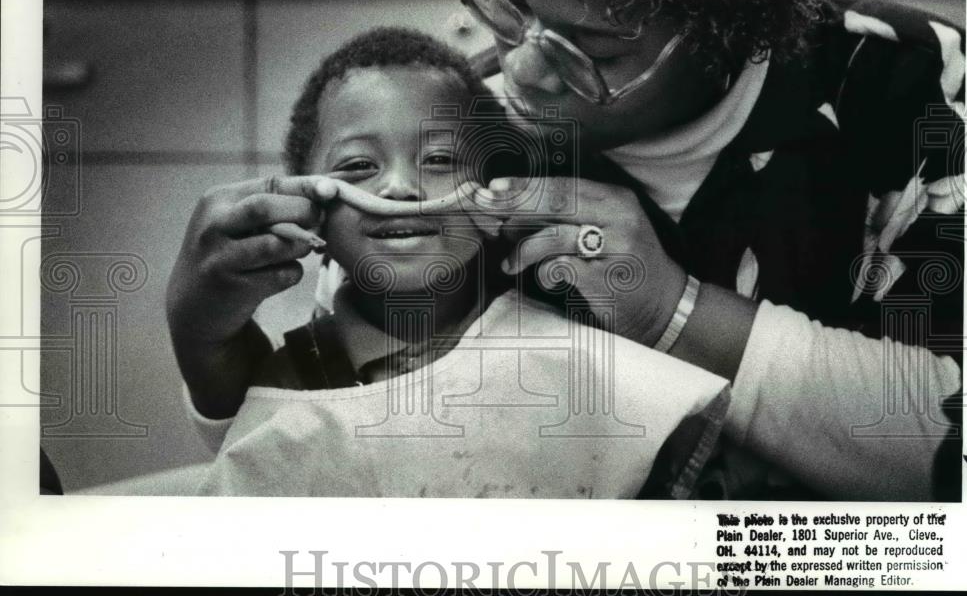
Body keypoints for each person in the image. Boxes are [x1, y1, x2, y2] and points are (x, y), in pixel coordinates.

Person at [167, 0, 964, 501]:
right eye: (509, 3)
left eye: (591, 50)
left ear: (734, 35)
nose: (519, 70)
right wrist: (206, 344)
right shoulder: (457, 126)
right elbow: (339, 437)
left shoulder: (916, 89)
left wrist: (671, 312)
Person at [171, 27, 730, 498]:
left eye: (439, 159)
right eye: (359, 166)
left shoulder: (572, 352)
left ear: (498, 192)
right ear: (310, 208)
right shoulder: (294, 378)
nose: (398, 187)